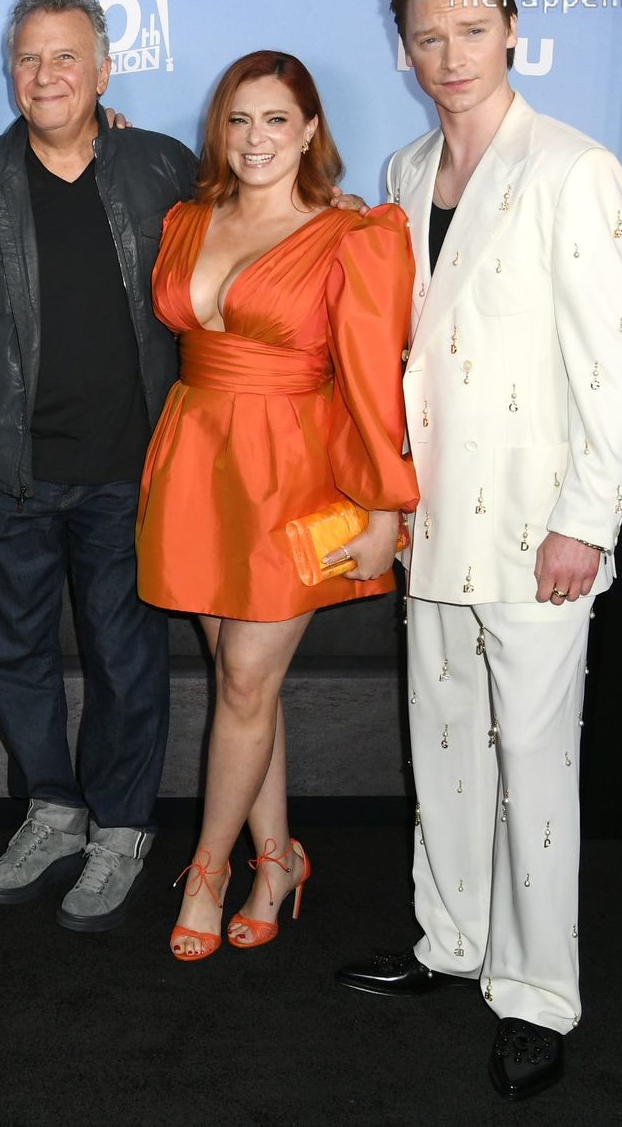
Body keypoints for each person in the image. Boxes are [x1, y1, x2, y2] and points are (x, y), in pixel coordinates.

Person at [334, 0, 622, 1103]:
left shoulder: (572, 167)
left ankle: (536, 994)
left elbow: (615, 365)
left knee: (535, 766)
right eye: (429, 36)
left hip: (535, 530)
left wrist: (586, 521)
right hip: (433, 523)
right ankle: (453, 938)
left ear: (511, 31)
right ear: (405, 50)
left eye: (471, 30)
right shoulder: (405, 170)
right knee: (447, 743)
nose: (450, 55)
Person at [0, 0, 196, 931]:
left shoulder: (162, 167)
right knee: (12, 660)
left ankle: (122, 826)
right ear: (11, 71)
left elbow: (244, 250)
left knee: (127, 664)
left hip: (133, 476)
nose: (45, 75)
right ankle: (52, 808)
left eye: (65, 56)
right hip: (8, 481)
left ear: (104, 70)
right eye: (29, 58)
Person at [138, 51, 417, 961]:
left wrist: (385, 512)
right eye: (238, 120)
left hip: (291, 475)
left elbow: (374, 383)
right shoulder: (186, 218)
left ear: (309, 131)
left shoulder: (352, 235)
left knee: (246, 684)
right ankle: (280, 860)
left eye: (275, 120)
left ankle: (207, 874)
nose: (255, 138)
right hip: (194, 464)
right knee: (241, 685)